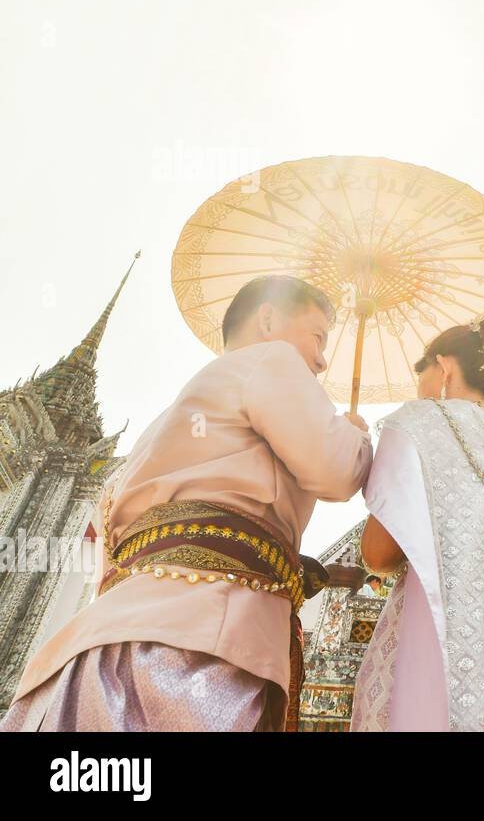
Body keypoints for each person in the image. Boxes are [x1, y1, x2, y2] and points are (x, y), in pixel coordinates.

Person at [0, 275, 372, 731]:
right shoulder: (271, 360)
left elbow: (192, 533)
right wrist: (354, 437)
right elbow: (336, 472)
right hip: (195, 654)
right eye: (317, 337)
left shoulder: (166, 426)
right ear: (269, 318)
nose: (321, 359)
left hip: (111, 641)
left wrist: (304, 571)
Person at [350, 314, 484, 731]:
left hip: (444, 629)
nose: (418, 389)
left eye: (421, 372)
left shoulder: (424, 425)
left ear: (444, 367)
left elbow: (377, 553)